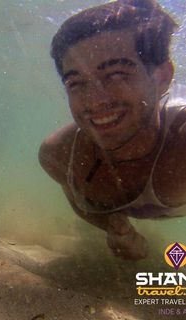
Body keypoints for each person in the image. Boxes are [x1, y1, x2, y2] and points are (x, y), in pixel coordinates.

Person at [39, 0, 185, 260]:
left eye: (117, 74)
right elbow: (85, 207)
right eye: (76, 83)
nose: (94, 102)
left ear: (162, 78)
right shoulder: (59, 156)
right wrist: (117, 231)